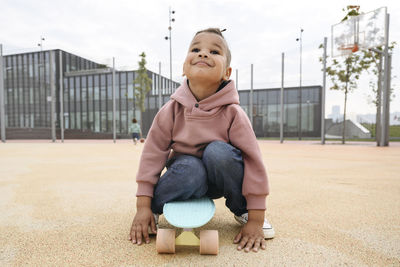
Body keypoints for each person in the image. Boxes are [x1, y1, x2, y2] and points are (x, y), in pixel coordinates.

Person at [129, 28, 274, 252]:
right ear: (184, 68)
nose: (203, 54)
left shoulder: (233, 113)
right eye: (196, 49)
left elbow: (253, 161)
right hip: (186, 175)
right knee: (190, 167)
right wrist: (143, 206)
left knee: (218, 152)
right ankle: (154, 211)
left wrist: (256, 217)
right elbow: (153, 153)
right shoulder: (171, 110)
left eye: (214, 51)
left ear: (227, 72)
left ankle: (242, 211)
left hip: (220, 178)